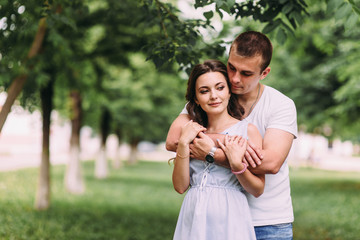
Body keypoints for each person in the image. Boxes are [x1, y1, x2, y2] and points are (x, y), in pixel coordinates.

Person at [166, 31, 298, 240]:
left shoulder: (280, 104)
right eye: (231, 68)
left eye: (246, 73)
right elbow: (174, 140)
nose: (235, 79)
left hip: (268, 220)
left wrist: (211, 152)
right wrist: (227, 141)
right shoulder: (210, 97)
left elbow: (271, 163)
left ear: (264, 73)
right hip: (210, 220)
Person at [171, 59, 264, 240]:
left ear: (229, 91)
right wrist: (183, 143)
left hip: (230, 216)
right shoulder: (191, 132)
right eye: (204, 91)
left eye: (220, 88)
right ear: (196, 99)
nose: (213, 96)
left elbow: (258, 189)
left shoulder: (247, 131)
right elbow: (180, 187)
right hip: (193, 215)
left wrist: (236, 164)